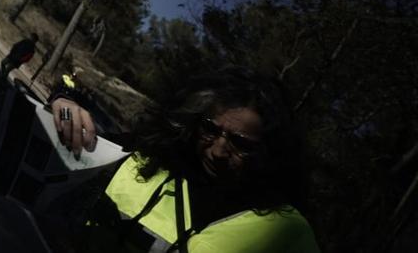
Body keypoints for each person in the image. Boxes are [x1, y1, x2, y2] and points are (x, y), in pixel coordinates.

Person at [51, 67, 319, 252]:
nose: (218, 151)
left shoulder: (287, 232)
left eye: (240, 143)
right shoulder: (148, 156)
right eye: (210, 129)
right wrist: (64, 104)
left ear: (270, 151)